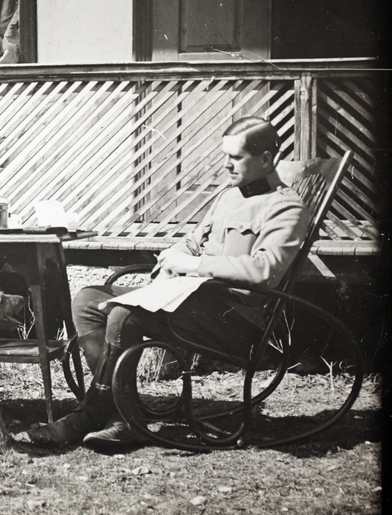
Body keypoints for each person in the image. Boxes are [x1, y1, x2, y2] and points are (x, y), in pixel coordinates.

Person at [26, 116, 307, 451]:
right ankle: (120, 414)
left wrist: (195, 265)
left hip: (233, 319)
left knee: (124, 313)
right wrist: (173, 259)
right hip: (191, 302)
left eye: (236, 158)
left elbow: (265, 271)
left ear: (265, 158)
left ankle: (95, 414)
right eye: (225, 156)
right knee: (88, 299)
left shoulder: (285, 206)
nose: (227, 165)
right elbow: (192, 241)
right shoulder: (229, 197)